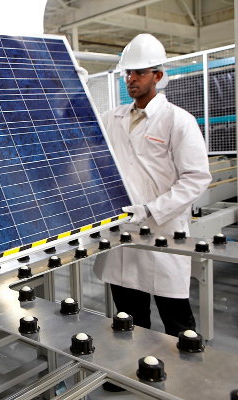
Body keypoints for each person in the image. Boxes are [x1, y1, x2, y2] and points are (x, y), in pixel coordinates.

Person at [93, 33, 212, 338]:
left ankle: (185, 382)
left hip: (162, 233)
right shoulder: (113, 118)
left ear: (158, 76)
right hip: (123, 236)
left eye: (139, 73)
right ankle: (130, 374)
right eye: (127, 73)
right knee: (128, 320)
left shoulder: (178, 120)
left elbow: (196, 177)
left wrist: (150, 210)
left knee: (177, 323)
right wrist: (72, 87)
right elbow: (82, 127)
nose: (131, 79)